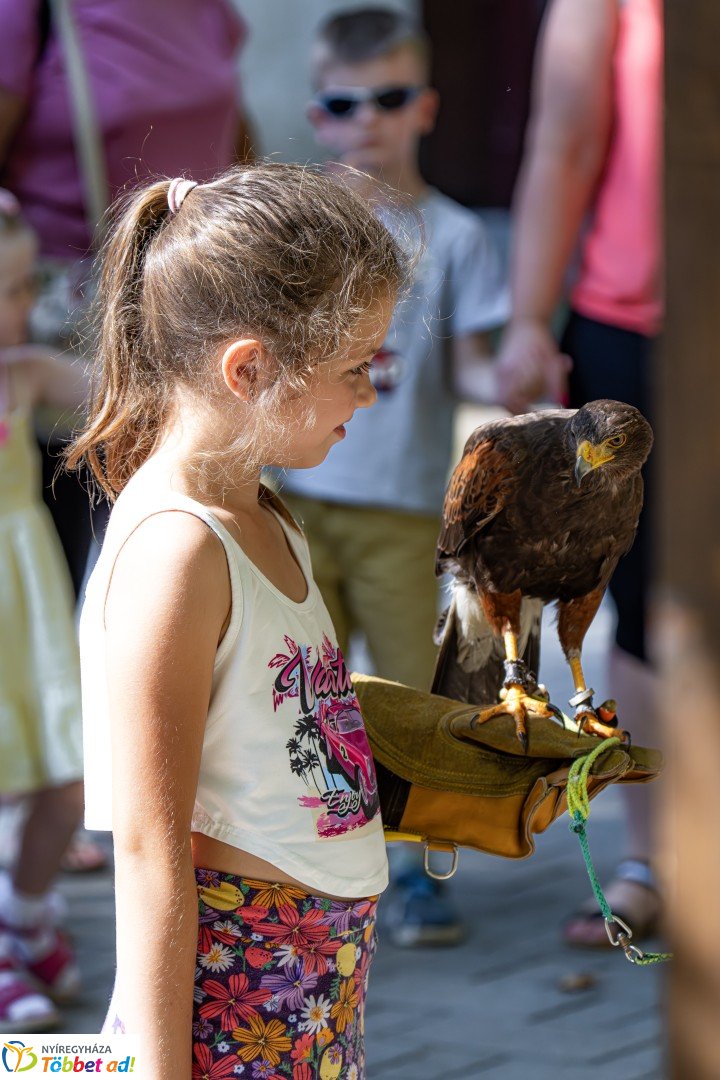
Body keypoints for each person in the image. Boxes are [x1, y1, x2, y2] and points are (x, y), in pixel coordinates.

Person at [69, 162, 406, 1078]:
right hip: (233, 1003)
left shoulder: (265, 510)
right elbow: (149, 852)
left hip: (318, 984)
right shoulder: (178, 552)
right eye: (354, 368)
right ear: (250, 368)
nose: (370, 395)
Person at [279, 7, 515, 948]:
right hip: (293, 494)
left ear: (424, 106)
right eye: (343, 102)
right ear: (318, 114)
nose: (365, 118)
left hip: (401, 503)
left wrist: (518, 382)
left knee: (406, 689)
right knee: (302, 685)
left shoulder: (454, 234)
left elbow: (472, 368)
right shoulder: (302, 225)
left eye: (386, 99)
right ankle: (313, 859)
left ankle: (418, 868)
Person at [0, 0, 253, 875]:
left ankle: (131, 797)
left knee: (163, 567)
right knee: (52, 581)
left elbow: (235, 129)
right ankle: (46, 816)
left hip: (178, 323)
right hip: (59, 322)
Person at [496, 0, 662, 944]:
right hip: (635, 332)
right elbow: (563, 137)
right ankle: (656, 863)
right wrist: (527, 318)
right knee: (645, 601)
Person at [0, 189, 88, 1032]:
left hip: (23, 609)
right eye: (10, 290)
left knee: (67, 778)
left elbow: (114, 393)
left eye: (27, 286)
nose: (27, 306)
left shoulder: (20, 375)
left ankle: (23, 912)